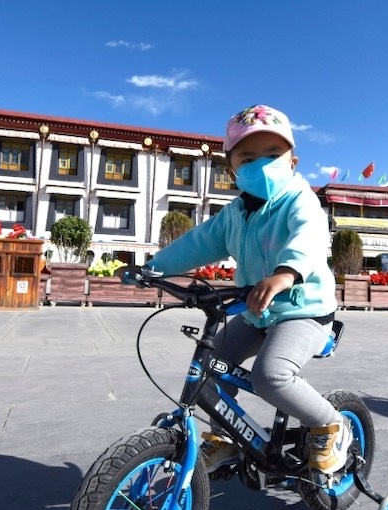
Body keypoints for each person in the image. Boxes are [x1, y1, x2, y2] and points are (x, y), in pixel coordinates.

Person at [142, 104, 349, 475]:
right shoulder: (234, 214)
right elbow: (198, 243)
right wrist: (151, 268)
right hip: (256, 311)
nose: (262, 164)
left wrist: (286, 273)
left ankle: (331, 424)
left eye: (273, 155)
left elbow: (309, 238)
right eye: (249, 157)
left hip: (303, 310)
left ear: (294, 161)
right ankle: (224, 440)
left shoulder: (301, 201)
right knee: (210, 365)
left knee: (270, 376)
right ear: (232, 168)